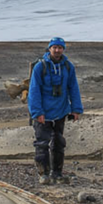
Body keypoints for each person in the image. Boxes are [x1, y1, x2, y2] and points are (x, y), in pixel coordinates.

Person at [27, 37, 83, 184]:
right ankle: (43, 174)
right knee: (42, 143)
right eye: (54, 47)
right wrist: (37, 112)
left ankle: (57, 173)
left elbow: (73, 88)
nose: (57, 50)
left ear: (63, 49)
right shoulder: (40, 67)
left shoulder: (68, 67)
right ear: (49, 49)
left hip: (61, 111)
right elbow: (34, 91)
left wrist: (76, 109)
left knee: (58, 143)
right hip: (43, 113)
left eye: (60, 47)